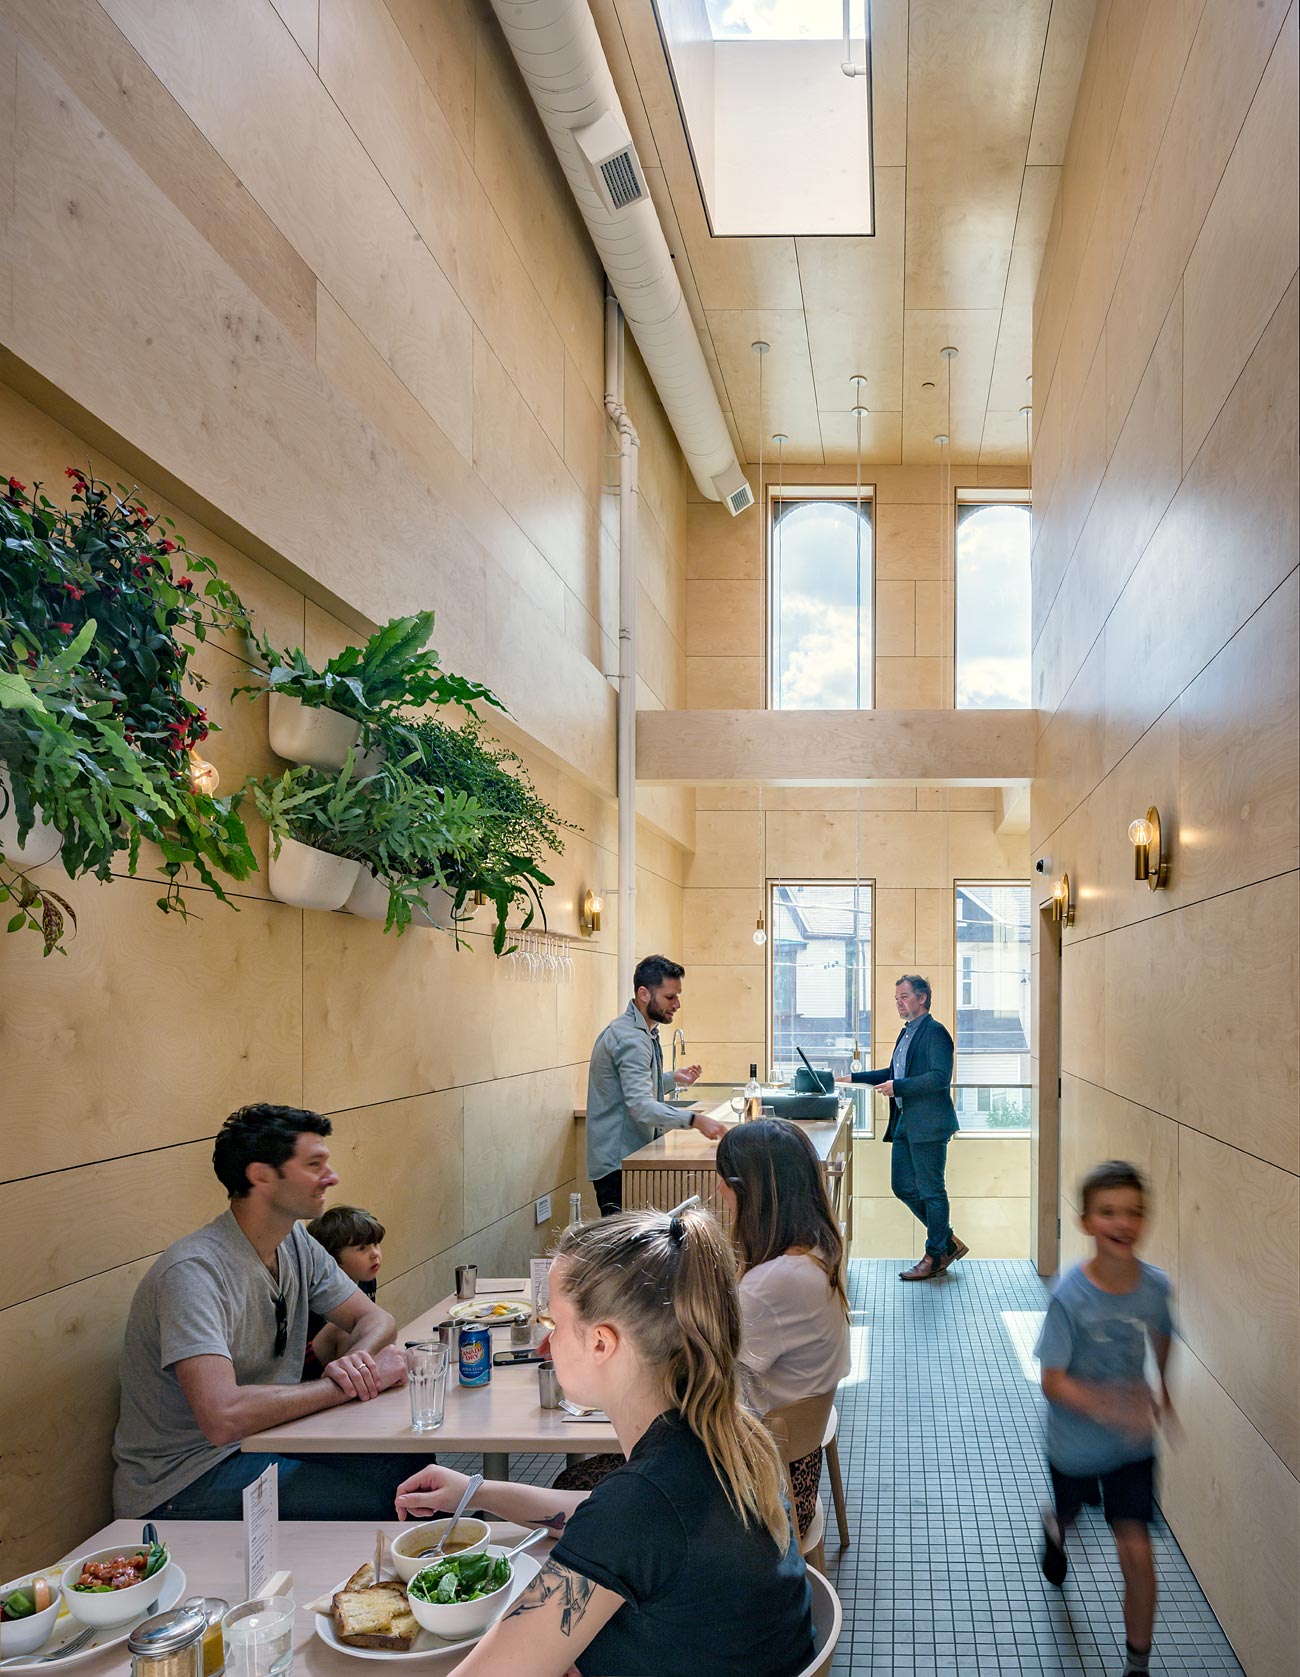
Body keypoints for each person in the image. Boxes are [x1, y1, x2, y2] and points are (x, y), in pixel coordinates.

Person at [394, 1207, 816, 1677]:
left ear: (601, 1342)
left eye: (553, 1325)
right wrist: (476, 1491)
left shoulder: (640, 1505)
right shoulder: (725, 1435)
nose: (541, 1347)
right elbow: (603, 1519)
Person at [112, 1103, 412, 1520]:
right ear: (261, 1175)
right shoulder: (193, 1272)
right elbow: (223, 1417)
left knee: (413, 1468)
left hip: (265, 1441)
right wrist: (346, 1385)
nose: (332, 1176)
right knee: (391, 1496)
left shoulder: (295, 1243)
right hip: (185, 1481)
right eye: (314, 1164)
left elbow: (375, 1319)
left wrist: (352, 1367)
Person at [1035, 1161, 1175, 1677]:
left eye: (1135, 1213)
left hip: (1130, 1448)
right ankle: (1056, 1525)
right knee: (1071, 1514)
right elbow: (1052, 1381)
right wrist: (1109, 1405)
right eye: (1110, 1212)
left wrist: (1161, 1389)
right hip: (1073, 1443)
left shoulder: (1155, 1287)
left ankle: (1137, 1663)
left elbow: (1162, 1332)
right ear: (1087, 1221)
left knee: (1135, 1548)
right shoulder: (1069, 1298)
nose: (1124, 1224)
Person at [715, 1119, 851, 1538]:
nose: (719, 1192)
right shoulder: (818, 1251)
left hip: (767, 1493)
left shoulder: (774, 1282)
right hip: (794, 1467)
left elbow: (708, 1368)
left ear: (746, 1190)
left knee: (580, 1484)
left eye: (723, 1182)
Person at [841, 973, 965, 1281]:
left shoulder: (936, 1033)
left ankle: (935, 1254)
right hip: (905, 1124)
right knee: (902, 1186)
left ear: (922, 998)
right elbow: (891, 1071)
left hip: (929, 1125)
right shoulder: (907, 1033)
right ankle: (945, 1239)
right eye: (896, 998)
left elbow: (939, 1077)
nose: (899, 1003)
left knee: (932, 1191)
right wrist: (852, 1079)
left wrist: (899, 1087)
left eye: (905, 997)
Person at [585, 954, 725, 1215]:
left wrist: (672, 1078)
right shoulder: (631, 1038)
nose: (677, 1004)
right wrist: (695, 1120)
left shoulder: (641, 1031)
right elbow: (640, 1105)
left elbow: (628, 1084)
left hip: (624, 1159)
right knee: (627, 1252)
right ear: (644, 994)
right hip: (618, 1164)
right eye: (670, 997)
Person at [303, 1204, 386, 1379]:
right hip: (309, 1366)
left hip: (345, 1359)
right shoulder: (317, 1289)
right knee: (343, 1327)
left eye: (376, 1244)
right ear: (331, 1258)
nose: (375, 1254)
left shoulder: (366, 1279)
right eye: (362, 1248)